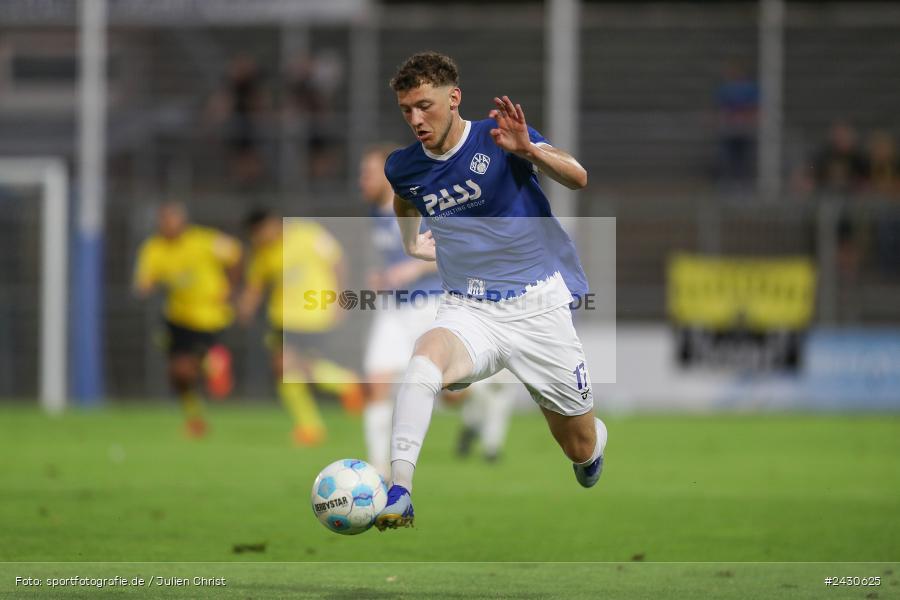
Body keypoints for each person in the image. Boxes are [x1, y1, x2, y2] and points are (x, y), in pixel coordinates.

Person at [374, 52, 606, 531]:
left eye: (425, 105)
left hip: (537, 306)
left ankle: (590, 451)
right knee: (424, 360)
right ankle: (399, 491)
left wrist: (531, 150)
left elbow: (578, 177)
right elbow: (403, 198)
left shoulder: (498, 136)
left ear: (454, 98)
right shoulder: (403, 166)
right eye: (406, 110)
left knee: (578, 446)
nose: (416, 119)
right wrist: (410, 244)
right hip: (469, 309)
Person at [238, 209, 364, 446]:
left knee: (291, 366)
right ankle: (316, 419)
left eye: (260, 233)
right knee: (288, 369)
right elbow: (256, 283)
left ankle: (342, 386)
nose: (260, 239)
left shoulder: (307, 234)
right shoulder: (263, 252)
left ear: (272, 224)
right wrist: (246, 305)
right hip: (283, 318)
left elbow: (337, 261)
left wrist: (341, 297)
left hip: (315, 314)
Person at [133, 202, 241, 437]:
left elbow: (235, 253)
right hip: (178, 315)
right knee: (178, 373)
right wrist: (145, 285)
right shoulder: (154, 248)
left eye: (172, 219)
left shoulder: (203, 240)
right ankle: (195, 418)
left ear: (182, 221)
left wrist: (231, 288)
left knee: (192, 361)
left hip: (209, 313)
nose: (167, 225)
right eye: (163, 220)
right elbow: (145, 278)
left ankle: (215, 362)